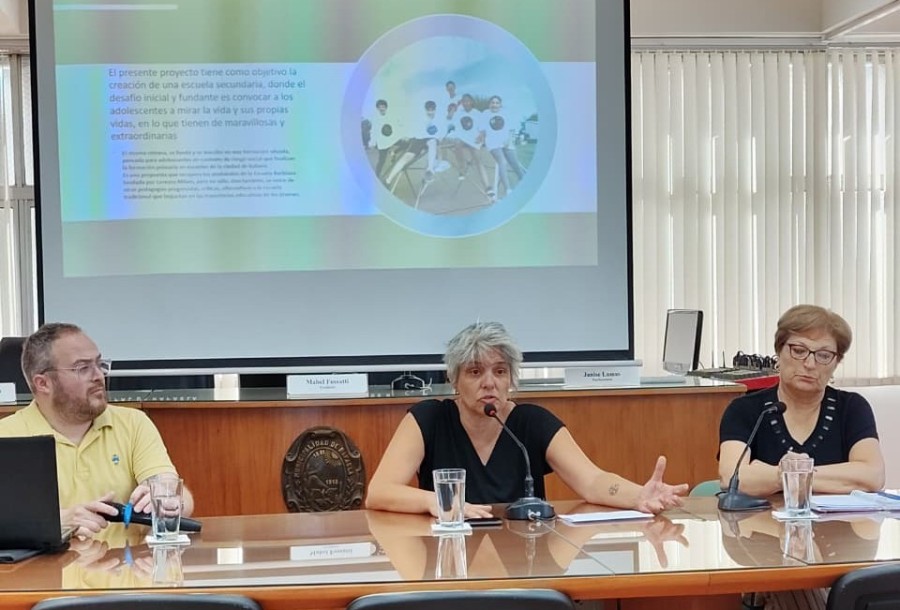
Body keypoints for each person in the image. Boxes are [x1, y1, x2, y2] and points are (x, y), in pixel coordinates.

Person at [366, 321, 687, 517]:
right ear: (454, 379)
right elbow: (379, 492)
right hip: (449, 559)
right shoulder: (429, 419)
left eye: (500, 372)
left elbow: (592, 480)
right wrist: (437, 502)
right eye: (475, 372)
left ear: (511, 380)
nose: (489, 383)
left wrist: (638, 496)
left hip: (523, 559)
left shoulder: (531, 422)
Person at [0, 323, 195, 538]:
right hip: (45, 571)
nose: (98, 376)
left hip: (127, 567)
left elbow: (175, 493)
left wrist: (170, 501)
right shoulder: (6, 435)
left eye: (99, 364)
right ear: (43, 383)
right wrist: (57, 523)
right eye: (82, 368)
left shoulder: (133, 423)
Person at [718, 304, 885, 496]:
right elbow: (731, 477)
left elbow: (873, 476)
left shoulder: (851, 407)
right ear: (779, 352)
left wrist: (781, 474)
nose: (810, 364)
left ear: (836, 362)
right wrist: (787, 476)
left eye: (823, 355)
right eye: (798, 350)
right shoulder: (745, 409)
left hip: (838, 526)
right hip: (761, 524)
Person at [484, 95, 527, 199]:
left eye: (497, 103)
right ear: (489, 104)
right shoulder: (485, 114)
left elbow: (512, 128)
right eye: (492, 103)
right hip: (493, 143)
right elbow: (482, 129)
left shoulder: (506, 113)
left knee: (515, 163)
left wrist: (509, 141)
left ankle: (524, 182)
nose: (494, 105)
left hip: (506, 141)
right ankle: (508, 189)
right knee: (502, 162)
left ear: (500, 104)